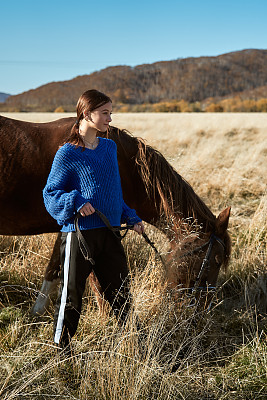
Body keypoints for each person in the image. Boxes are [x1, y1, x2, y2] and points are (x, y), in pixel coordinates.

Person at [43, 89, 144, 351]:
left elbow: (112, 194)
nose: (110, 119)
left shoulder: (109, 148)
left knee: (121, 292)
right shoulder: (67, 153)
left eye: (111, 113)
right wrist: (75, 201)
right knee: (72, 296)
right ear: (87, 114)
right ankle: (60, 349)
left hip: (110, 233)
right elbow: (50, 194)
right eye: (105, 113)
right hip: (79, 235)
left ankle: (133, 344)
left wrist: (130, 216)